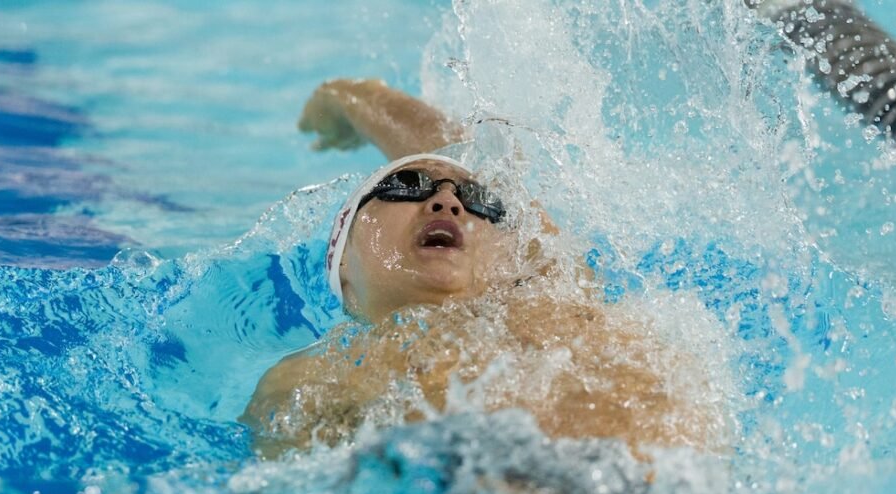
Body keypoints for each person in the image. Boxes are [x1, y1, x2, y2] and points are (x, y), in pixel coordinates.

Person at [240, 79, 725, 459]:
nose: (448, 200)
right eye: (407, 184)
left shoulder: (549, 288)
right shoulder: (314, 378)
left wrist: (357, 98)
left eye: (479, 201)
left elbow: (463, 153)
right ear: (341, 261)